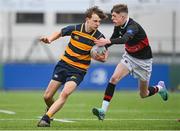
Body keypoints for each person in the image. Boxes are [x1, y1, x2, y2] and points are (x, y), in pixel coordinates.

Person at [92, 4, 168, 120]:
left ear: (123, 17)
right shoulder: (118, 26)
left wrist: (106, 41)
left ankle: (159, 88)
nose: (112, 18)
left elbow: (124, 39)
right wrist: (104, 48)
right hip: (129, 57)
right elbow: (112, 40)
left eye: (114, 16)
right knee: (113, 79)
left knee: (144, 94)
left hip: (144, 62)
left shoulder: (133, 26)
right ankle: (102, 111)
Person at [37, 6, 108, 127]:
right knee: (47, 96)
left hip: (78, 70)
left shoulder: (99, 38)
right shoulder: (75, 28)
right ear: (87, 19)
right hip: (63, 65)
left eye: (99, 21)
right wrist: (49, 39)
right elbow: (59, 32)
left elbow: (104, 57)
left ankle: (46, 118)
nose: (98, 24)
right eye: (95, 21)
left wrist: (97, 56)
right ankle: (50, 110)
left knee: (64, 94)